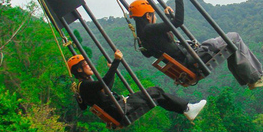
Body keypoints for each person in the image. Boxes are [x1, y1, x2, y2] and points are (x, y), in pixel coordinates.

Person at [130, 0, 263, 89]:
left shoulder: (143, 37)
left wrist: (168, 18)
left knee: (230, 44)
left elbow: (160, 44)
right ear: (148, 16)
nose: (155, 18)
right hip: (191, 58)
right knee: (233, 37)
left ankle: (252, 78)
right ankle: (255, 78)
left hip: (187, 59)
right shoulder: (149, 30)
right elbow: (178, 22)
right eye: (153, 15)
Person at [68, 50, 206, 123]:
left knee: (158, 96)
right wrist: (116, 62)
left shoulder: (84, 86)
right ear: (79, 70)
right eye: (85, 65)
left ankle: (186, 109)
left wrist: (112, 69)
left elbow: (106, 88)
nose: (89, 66)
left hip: (118, 108)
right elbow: (104, 83)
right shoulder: (85, 85)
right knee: (155, 91)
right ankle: (187, 108)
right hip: (121, 109)